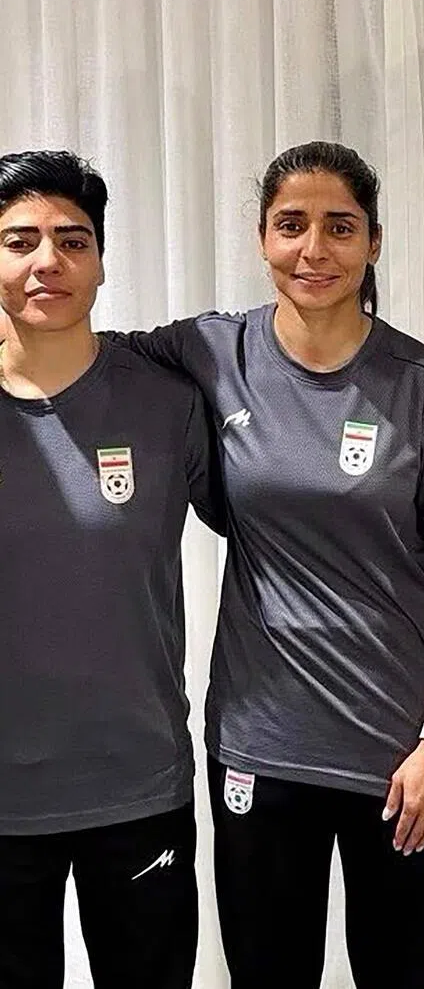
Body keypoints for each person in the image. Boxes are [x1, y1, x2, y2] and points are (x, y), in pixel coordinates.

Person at [107, 141, 424, 988]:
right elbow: (81, 351)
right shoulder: (213, 354)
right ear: (261, 238)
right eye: (292, 225)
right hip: (260, 746)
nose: (313, 250)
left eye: (339, 227)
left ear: (374, 242)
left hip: (400, 759)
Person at [0, 150, 221, 989]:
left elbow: (279, 538)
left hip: (136, 786)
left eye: (72, 239)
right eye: (20, 240)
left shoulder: (165, 401)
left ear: (100, 259)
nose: (46, 260)